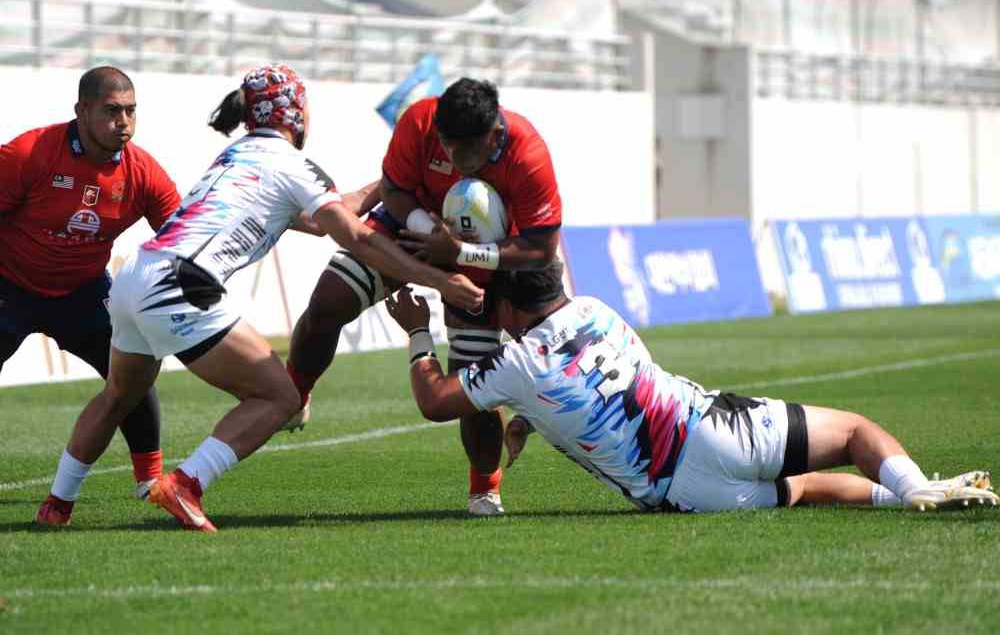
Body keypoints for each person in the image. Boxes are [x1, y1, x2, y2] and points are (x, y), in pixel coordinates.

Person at [35, 63, 484, 532]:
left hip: (135, 278)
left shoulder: (238, 154)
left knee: (117, 396)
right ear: (297, 113)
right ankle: (187, 483)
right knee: (281, 397)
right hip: (181, 286)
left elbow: (320, 220)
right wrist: (440, 281)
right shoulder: (292, 166)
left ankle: (57, 504)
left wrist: (388, 182)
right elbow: (357, 238)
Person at [384, 264, 999, 514]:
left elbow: (437, 402)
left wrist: (418, 332)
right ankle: (917, 489)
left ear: (513, 307)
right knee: (858, 432)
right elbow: (591, 379)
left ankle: (916, 497)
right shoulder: (596, 309)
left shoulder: (518, 361)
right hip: (710, 429)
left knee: (803, 489)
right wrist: (526, 418)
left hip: (679, 492)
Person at [286, 78, 563, 516]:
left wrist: (461, 252)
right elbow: (393, 189)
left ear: (493, 136)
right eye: (447, 147)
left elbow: (541, 248)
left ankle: (485, 489)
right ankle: (294, 395)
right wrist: (424, 227)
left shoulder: (528, 153)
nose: (454, 159)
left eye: (464, 152)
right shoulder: (419, 120)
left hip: (487, 259)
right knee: (329, 299)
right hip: (412, 231)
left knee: (474, 383)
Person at [2, 66, 180, 511]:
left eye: (131, 112)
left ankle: (150, 480)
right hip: (9, 283)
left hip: (82, 293)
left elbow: (185, 238)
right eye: (112, 111)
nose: (124, 122)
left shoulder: (143, 173)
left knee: (134, 372)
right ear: (81, 111)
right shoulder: (30, 152)